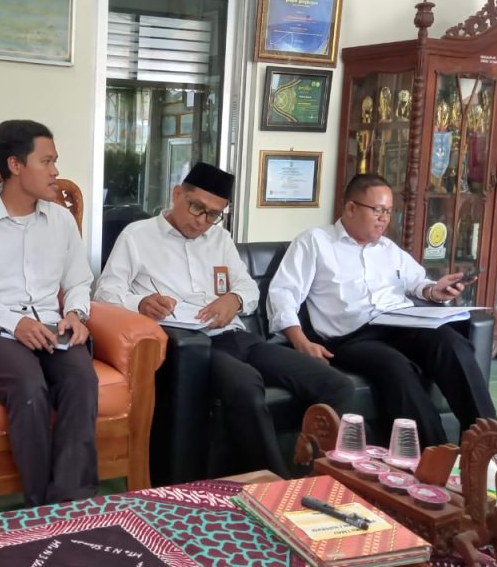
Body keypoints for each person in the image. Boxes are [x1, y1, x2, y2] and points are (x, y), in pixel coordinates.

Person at [95, 162, 354, 478]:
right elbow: (105, 294)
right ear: (177, 195)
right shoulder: (137, 236)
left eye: (213, 214)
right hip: (192, 347)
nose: (202, 221)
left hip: (236, 337)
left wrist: (234, 299)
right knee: (245, 385)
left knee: (336, 384)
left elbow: (248, 287)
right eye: (197, 208)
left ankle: (314, 473)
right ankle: (272, 484)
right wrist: (141, 303)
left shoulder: (219, 238)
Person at [267, 173, 497, 448]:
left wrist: (434, 291)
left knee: (452, 343)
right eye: (377, 210)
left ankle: (488, 445)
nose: (384, 219)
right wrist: (301, 342)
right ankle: (434, 455)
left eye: (388, 211)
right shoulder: (315, 242)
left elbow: (416, 282)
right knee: (395, 367)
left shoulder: (388, 249)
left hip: (401, 322)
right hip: (351, 337)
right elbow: (283, 293)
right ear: (351, 207)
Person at [0, 119, 97, 507]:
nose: (55, 171)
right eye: (46, 161)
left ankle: (73, 502)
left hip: (51, 325)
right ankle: (40, 507)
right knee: (29, 388)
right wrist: (15, 322)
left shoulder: (61, 220)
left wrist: (76, 313)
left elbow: (79, 280)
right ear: (15, 165)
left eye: (55, 161)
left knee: (81, 378)